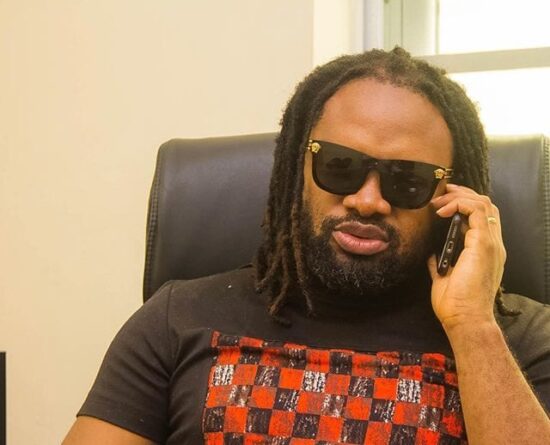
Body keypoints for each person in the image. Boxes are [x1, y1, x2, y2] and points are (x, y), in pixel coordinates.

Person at [63, 48, 550, 445]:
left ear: (452, 194)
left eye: (408, 179)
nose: (367, 201)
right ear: (298, 168)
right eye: (339, 165)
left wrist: (471, 325)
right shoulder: (176, 318)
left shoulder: (518, 339)